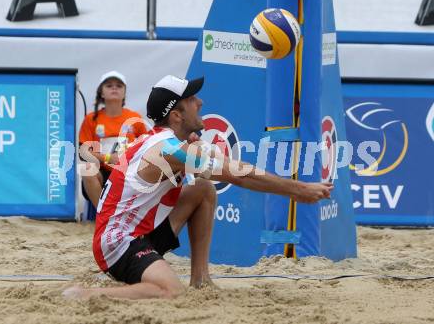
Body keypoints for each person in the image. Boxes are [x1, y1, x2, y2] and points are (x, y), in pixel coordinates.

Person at [64, 75, 333, 300]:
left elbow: (231, 165)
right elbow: (238, 176)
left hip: (142, 230)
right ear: (176, 115)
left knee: (203, 189)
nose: (200, 102)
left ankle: (201, 279)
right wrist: (298, 190)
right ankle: (86, 294)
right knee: (170, 292)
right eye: (192, 100)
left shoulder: (176, 142)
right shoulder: (167, 149)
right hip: (117, 243)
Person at [79, 71, 148, 209]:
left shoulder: (135, 118)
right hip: (103, 172)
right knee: (87, 168)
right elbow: (83, 152)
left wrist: (128, 158)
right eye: (109, 85)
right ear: (102, 93)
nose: (114, 88)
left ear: (124, 93)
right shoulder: (91, 119)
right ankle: (104, 214)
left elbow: (146, 147)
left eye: (119, 85)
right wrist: (109, 157)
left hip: (129, 173)